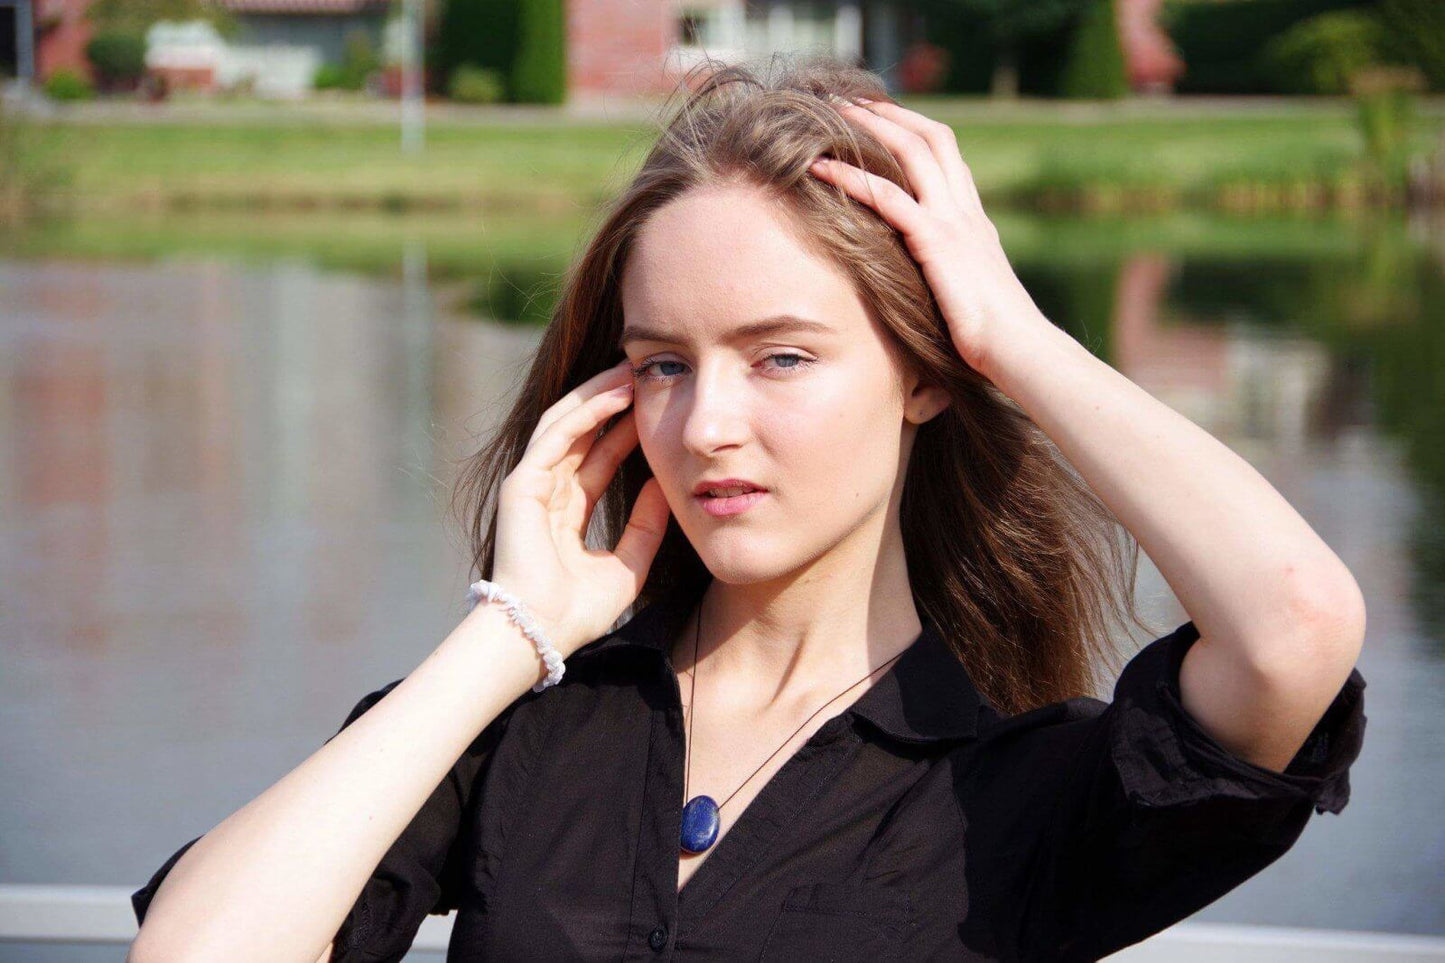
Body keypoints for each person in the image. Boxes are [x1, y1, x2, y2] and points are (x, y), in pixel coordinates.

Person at [126, 56, 1368, 963]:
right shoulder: (526, 727)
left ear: (923, 377)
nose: (705, 424)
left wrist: (1012, 337)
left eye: (780, 357)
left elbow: (1294, 625)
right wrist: (507, 632)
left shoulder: (1022, 796)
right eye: (663, 363)